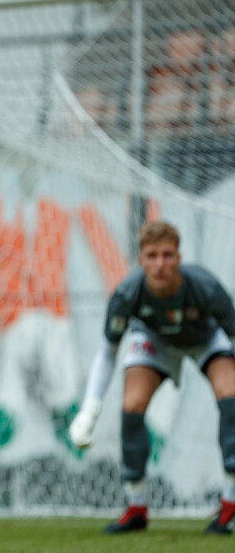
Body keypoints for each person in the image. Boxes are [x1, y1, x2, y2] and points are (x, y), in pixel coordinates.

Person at [68, 220, 235, 535]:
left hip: (203, 341)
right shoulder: (126, 294)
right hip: (155, 341)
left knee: (231, 396)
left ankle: (229, 504)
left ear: (179, 257)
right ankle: (136, 507)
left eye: (168, 255)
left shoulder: (206, 287)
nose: (161, 264)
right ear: (141, 259)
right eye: (153, 255)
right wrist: (89, 411)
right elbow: (107, 353)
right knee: (132, 406)